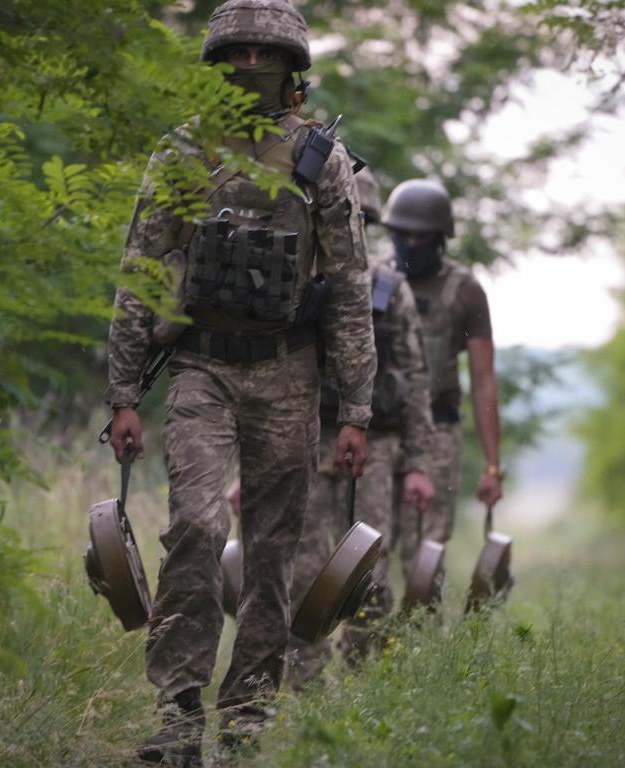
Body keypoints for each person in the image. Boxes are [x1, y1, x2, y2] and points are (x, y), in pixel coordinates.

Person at [103, 0, 375, 764]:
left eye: (266, 51)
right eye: (239, 51)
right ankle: (180, 711)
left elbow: (350, 288)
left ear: (292, 65)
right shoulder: (184, 152)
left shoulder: (324, 160)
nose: (252, 62)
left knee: (273, 549)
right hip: (201, 368)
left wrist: (354, 407)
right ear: (219, 60)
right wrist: (122, 393)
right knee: (195, 523)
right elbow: (141, 271)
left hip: (289, 374)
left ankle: (249, 712)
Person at [285, 169, 435, 687]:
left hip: (376, 448)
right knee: (302, 567)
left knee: (367, 570)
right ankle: (302, 684)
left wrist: (417, 464)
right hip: (308, 438)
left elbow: (415, 381)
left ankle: (365, 683)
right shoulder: (297, 279)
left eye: (360, 218)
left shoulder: (392, 290)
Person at [380, 178, 504, 575]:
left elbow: (484, 380)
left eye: (422, 236)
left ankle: (421, 634)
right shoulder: (374, 280)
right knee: (370, 541)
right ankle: (367, 637)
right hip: (380, 428)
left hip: (438, 429)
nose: (411, 243)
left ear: (440, 237)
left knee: (426, 548)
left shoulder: (464, 289)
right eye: (403, 235)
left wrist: (491, 466)